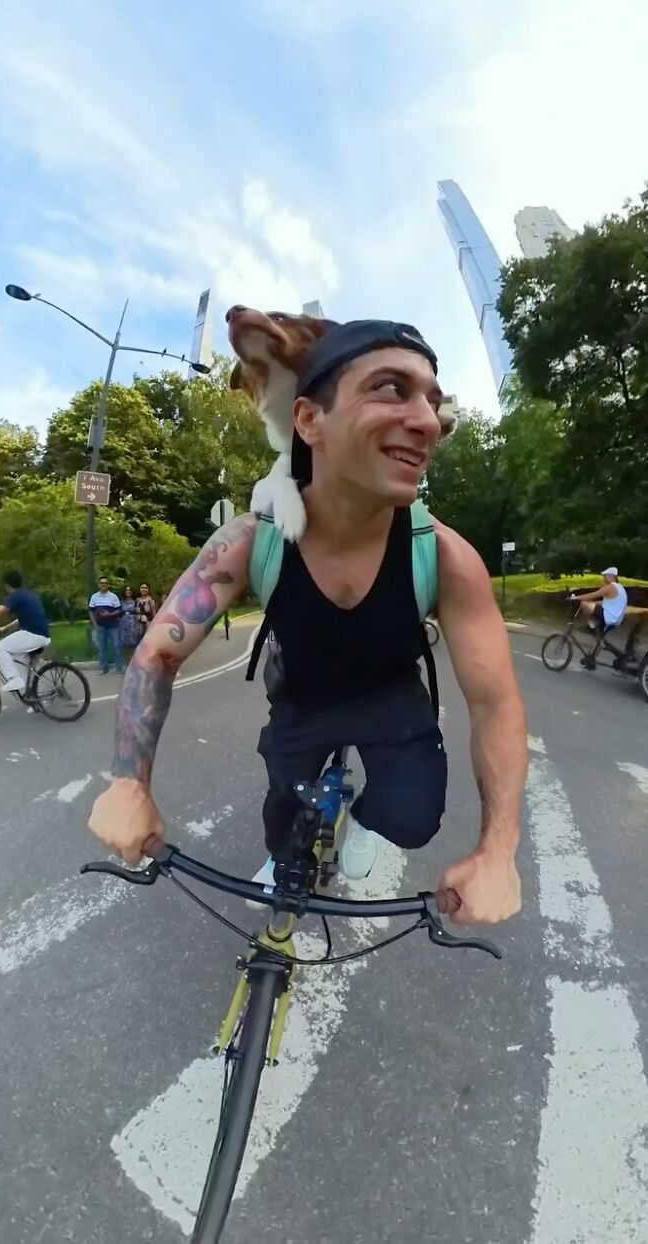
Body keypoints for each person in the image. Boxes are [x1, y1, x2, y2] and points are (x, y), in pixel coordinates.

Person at [89, 319, 527, 927]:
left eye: (430, 398)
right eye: (390, 388)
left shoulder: (447, 558)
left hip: (391, 699)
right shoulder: (248, 543)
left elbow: (497, 705)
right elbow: (156, 655)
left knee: (412, 817)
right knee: (283, 822)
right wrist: (128, 784)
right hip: (301, 696)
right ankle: (286, 851)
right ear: (308, 420)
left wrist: (499, 851)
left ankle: (364, 825)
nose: (429, 421)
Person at [0, 570, 50, 693]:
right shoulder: (28, 594)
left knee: (0, 648)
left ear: (7, 585)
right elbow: (22, 618)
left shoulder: (16, 596)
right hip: (43, 635)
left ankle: (14, 679)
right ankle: (36, 695)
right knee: (23, 662)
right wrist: (5, 628)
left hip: (32, 635)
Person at [571, 567, 628, 632]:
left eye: (605, 576)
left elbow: (592, 595)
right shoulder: (621, 588)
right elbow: (609, 603)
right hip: (617, 619)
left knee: (584, 604)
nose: (604, 578)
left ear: (610, 576)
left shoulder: (610, 587)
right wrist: (594, 603)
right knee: (592, 605)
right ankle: (595, 627)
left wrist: (576, 597)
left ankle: (592, 627)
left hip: (609, 618)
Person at [88, 576, 123, 675]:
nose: (104, 584)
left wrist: (110, 614)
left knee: (116, 646)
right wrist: (94, 624)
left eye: (106, 583)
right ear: (99, 585)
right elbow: (91, 611)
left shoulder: (113, 596)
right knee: (102, 648)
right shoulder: (94, 597)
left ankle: (119, 668)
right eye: (102, 583)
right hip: (100, 625)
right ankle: (104, 668)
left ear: (108, 585)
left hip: (113, 625)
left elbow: (119, 610)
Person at [120, 586, 141, 659]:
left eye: (129, 590)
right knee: (125, 643)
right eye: (126, 590)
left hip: (133, 622)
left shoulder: (136, 601)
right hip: (124, 622)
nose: (128, 591)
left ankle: (135, 660)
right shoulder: (122, 602)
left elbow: (138, 612)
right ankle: (127, 661)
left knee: (134, 642)